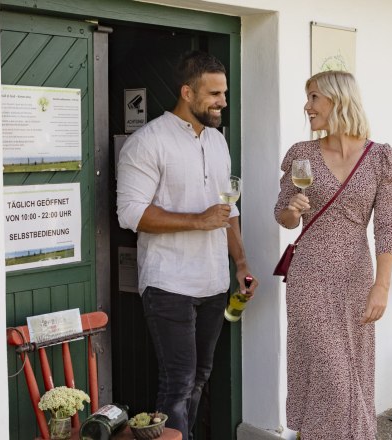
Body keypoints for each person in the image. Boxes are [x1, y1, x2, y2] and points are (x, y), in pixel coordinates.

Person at [116, 50, 258, 439]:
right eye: (214, 94)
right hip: (168, 284)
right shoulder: (147, 143)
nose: (222, 102)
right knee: (177, 382)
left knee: (199, 378)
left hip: (213, 282)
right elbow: (130, 213)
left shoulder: (216, 141)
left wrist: (241, 264)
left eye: (224, 93)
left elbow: (228, 209)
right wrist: (197, 221)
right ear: (186, 92)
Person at [274, 71, 392, 439]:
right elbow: (282, 216)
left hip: (358, 278)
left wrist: (382, 286)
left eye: (314, 97)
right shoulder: (303, 154)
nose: (307, 106)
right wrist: (293, 210)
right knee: (332, 377)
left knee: (354, 374)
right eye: (307, 98)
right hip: (309, 276)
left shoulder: (380, 158)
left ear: (338, 100)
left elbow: (387, 228)